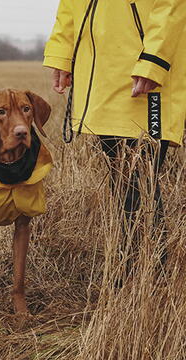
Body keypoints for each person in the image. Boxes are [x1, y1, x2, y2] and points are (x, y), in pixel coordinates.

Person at [43, 0, 186, 281]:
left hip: (145, 72)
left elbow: (171, 6)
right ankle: (138, 273)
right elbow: (70, 6)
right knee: (124, 180)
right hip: (103, 77)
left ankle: (148, 277)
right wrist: (62, 55)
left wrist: (153, 62)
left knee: (140, 179)